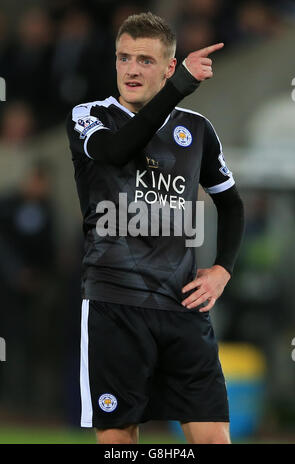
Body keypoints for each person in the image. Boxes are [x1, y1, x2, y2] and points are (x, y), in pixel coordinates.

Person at [66, 11, 244, 445]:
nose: (130, 69)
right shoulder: (91, 116)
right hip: (115, 302)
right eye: (123, 57)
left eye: (145, 60)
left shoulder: (197, 130)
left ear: (168, 67)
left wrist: (222, 269)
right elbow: (116, 151)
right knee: (118, 439)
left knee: (215, 438)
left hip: (183, 305)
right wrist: (181, 86)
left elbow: (231, 204)